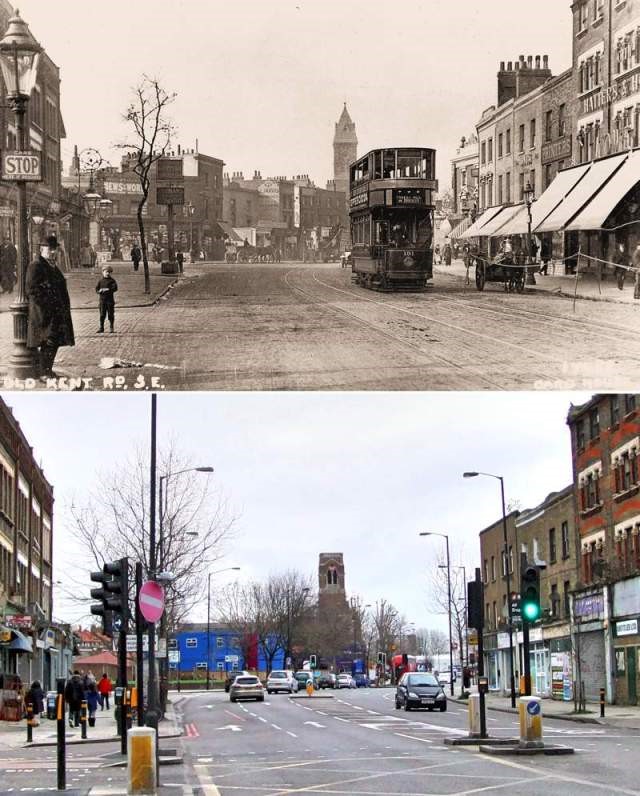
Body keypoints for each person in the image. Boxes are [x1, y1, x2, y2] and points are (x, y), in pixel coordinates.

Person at [26, 234, 75, 379]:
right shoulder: (36, 265)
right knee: (49, 342)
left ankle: (47, 370)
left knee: (54, 342)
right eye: (50, 249)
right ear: (41, 249)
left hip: (55, 312)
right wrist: (47, 308)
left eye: (55, 249)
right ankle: (44, 372)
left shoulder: (52, 266)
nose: (53, 252)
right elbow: (32, 290)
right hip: (43, 313)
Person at [95, 264, 118, 334]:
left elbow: (115, 288)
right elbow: (96, 288)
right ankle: (101, 327)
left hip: (110, 301)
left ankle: (111, 327)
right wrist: (99, 291)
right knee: (102, 315)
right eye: (106, 272)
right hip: (102, 301)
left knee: (110, 314)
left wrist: (107, 289)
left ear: (110, 273)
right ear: (103, 272)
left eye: (109, 272)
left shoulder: (112, 281)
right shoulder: (100, 281)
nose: (107, 273)